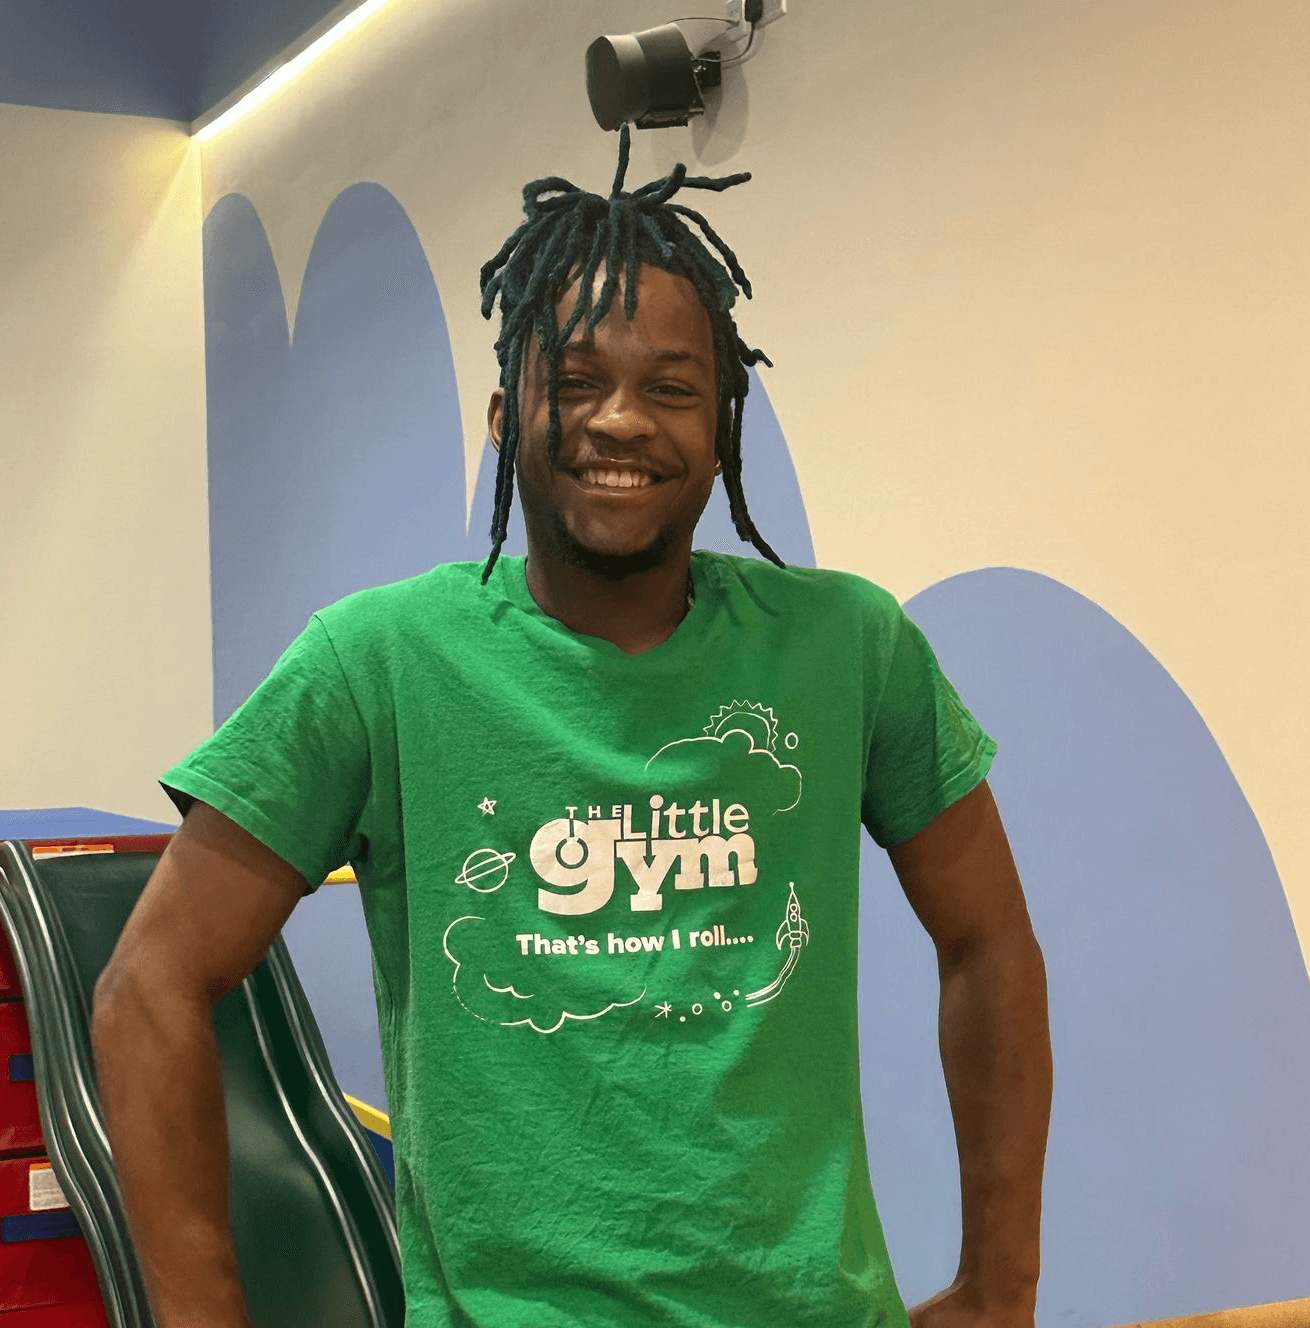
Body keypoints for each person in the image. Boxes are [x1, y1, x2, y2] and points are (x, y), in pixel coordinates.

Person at [92, 126, 1051, 1328]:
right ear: (507, 414)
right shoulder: (376, 663)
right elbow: (148, 986)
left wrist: (1001, 1286)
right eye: (578, 380)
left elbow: (990, 945)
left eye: (671, 388)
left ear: (721, 424)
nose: (622, 421)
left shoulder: (849, 647)